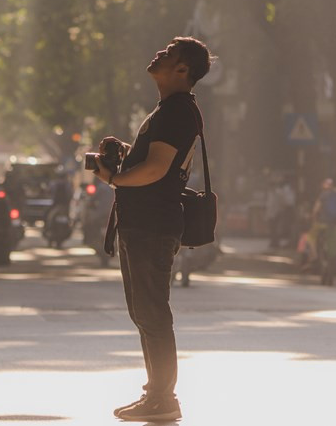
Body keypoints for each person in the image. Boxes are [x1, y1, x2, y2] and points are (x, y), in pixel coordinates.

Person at [92, 36, 213, 423]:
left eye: (170, 52)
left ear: (183, 70)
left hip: (152, 225)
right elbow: (157, 161)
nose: (159, 53)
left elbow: (158, 169)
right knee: (146, 313)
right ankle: (156, 395)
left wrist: (113, 177)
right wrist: (129, 154)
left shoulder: (177, 111)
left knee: (152, 313)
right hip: (146, 223)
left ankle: (162, 398)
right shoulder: (170, 110)